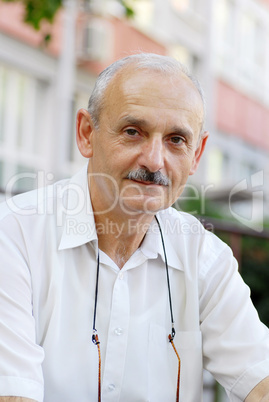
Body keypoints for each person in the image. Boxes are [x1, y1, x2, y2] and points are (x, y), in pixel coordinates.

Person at [0, 53, 269, 402]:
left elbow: (259, 376)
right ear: (86, 134)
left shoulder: (204, 256)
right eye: (132, 132)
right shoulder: (15, 234)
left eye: (176, 140)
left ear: (196, 156)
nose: (155, 160)